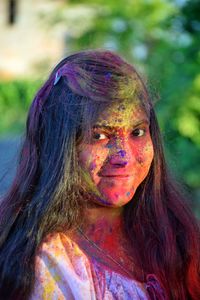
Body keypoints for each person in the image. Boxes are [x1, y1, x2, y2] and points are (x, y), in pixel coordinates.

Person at [0, 50, 199, 300]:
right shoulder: (42, 267)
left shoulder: (174, 236)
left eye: (137, 132)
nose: (124, 157)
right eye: (99, 135)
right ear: (60, 147)